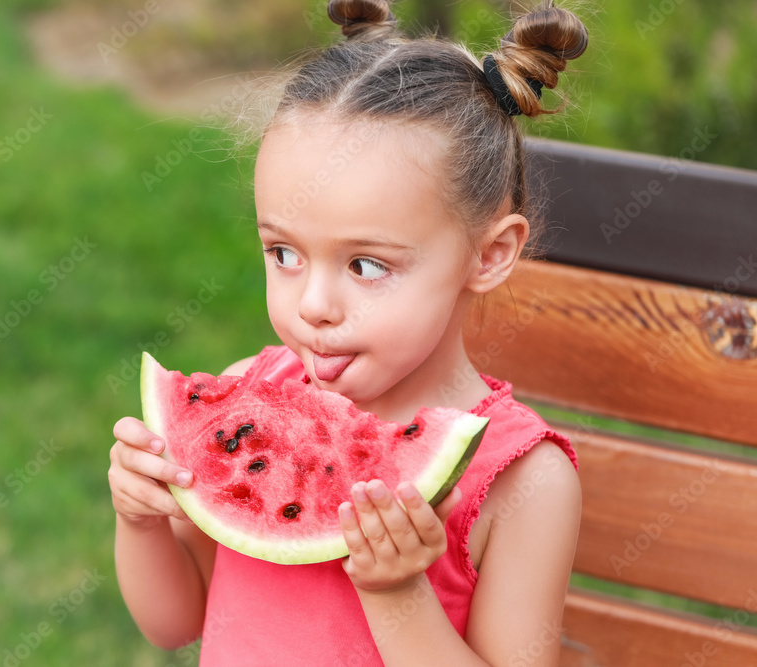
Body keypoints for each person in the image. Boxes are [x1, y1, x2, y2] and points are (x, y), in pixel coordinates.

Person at [109, 1, 588, 664]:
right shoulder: (252, 396)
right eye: (283, 253)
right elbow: (173, 619)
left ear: (489, 254)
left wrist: (398, 592)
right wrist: (142, 522)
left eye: (366, 265)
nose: (314, 304)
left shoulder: (524, 480)